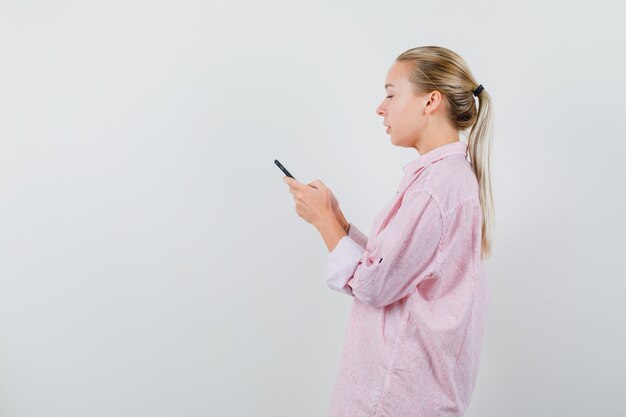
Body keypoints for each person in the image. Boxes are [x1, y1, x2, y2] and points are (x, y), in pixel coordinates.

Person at [283, 45, 494, 417]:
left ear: (431, 101)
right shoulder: (443, 178)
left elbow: (375, 284)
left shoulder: (439, 186)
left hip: (395, 398)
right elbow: (398, 268)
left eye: (391, 94)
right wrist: (341, 222)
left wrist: (323, 222)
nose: (381, 107)